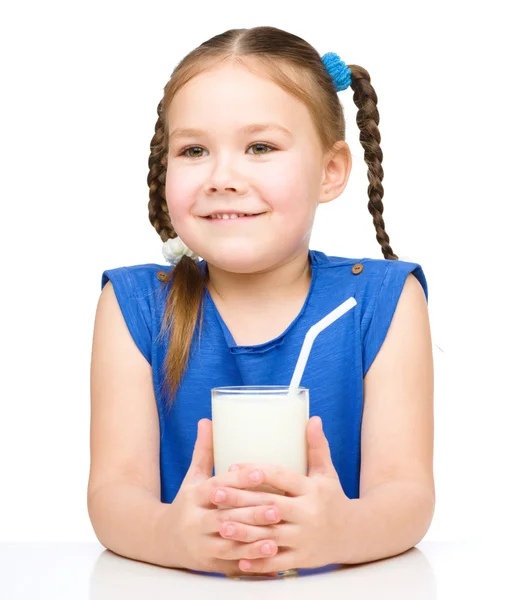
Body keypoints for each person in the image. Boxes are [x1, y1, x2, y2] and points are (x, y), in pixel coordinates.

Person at [88, 26, 435, 578]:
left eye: (260, 147)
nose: (224, 177)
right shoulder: (134, 305)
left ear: (330, 171)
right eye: (195, 150)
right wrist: (174, 536)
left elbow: (407, 494)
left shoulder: (383, 300)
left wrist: (341, 531)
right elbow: (114, 495)